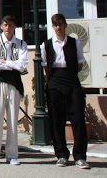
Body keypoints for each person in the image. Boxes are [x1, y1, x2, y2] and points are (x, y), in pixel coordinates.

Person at [42, 14, 90, 169]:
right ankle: (61, 154)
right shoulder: (46, 45)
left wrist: (69, 73)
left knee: (78, 120)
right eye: (55, 25)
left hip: (71, 81)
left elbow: (80, 64)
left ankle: (80, 156)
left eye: (61, 24)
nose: (58, 28)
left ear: (65, 25)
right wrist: (53, 80)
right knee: (56, 121)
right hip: (54, 82)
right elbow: (46, 67)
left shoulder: (75, 43)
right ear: (53, 26)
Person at [0, 15, 28, 166]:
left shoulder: (21, 44)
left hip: (14, 83)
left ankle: (12, 155)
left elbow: (23, 65)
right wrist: (12, 64)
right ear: (1, 27)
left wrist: (5, 62)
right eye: (5, 25)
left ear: (14, 26)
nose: (8, 28)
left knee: (12, 120)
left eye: (11, 25)